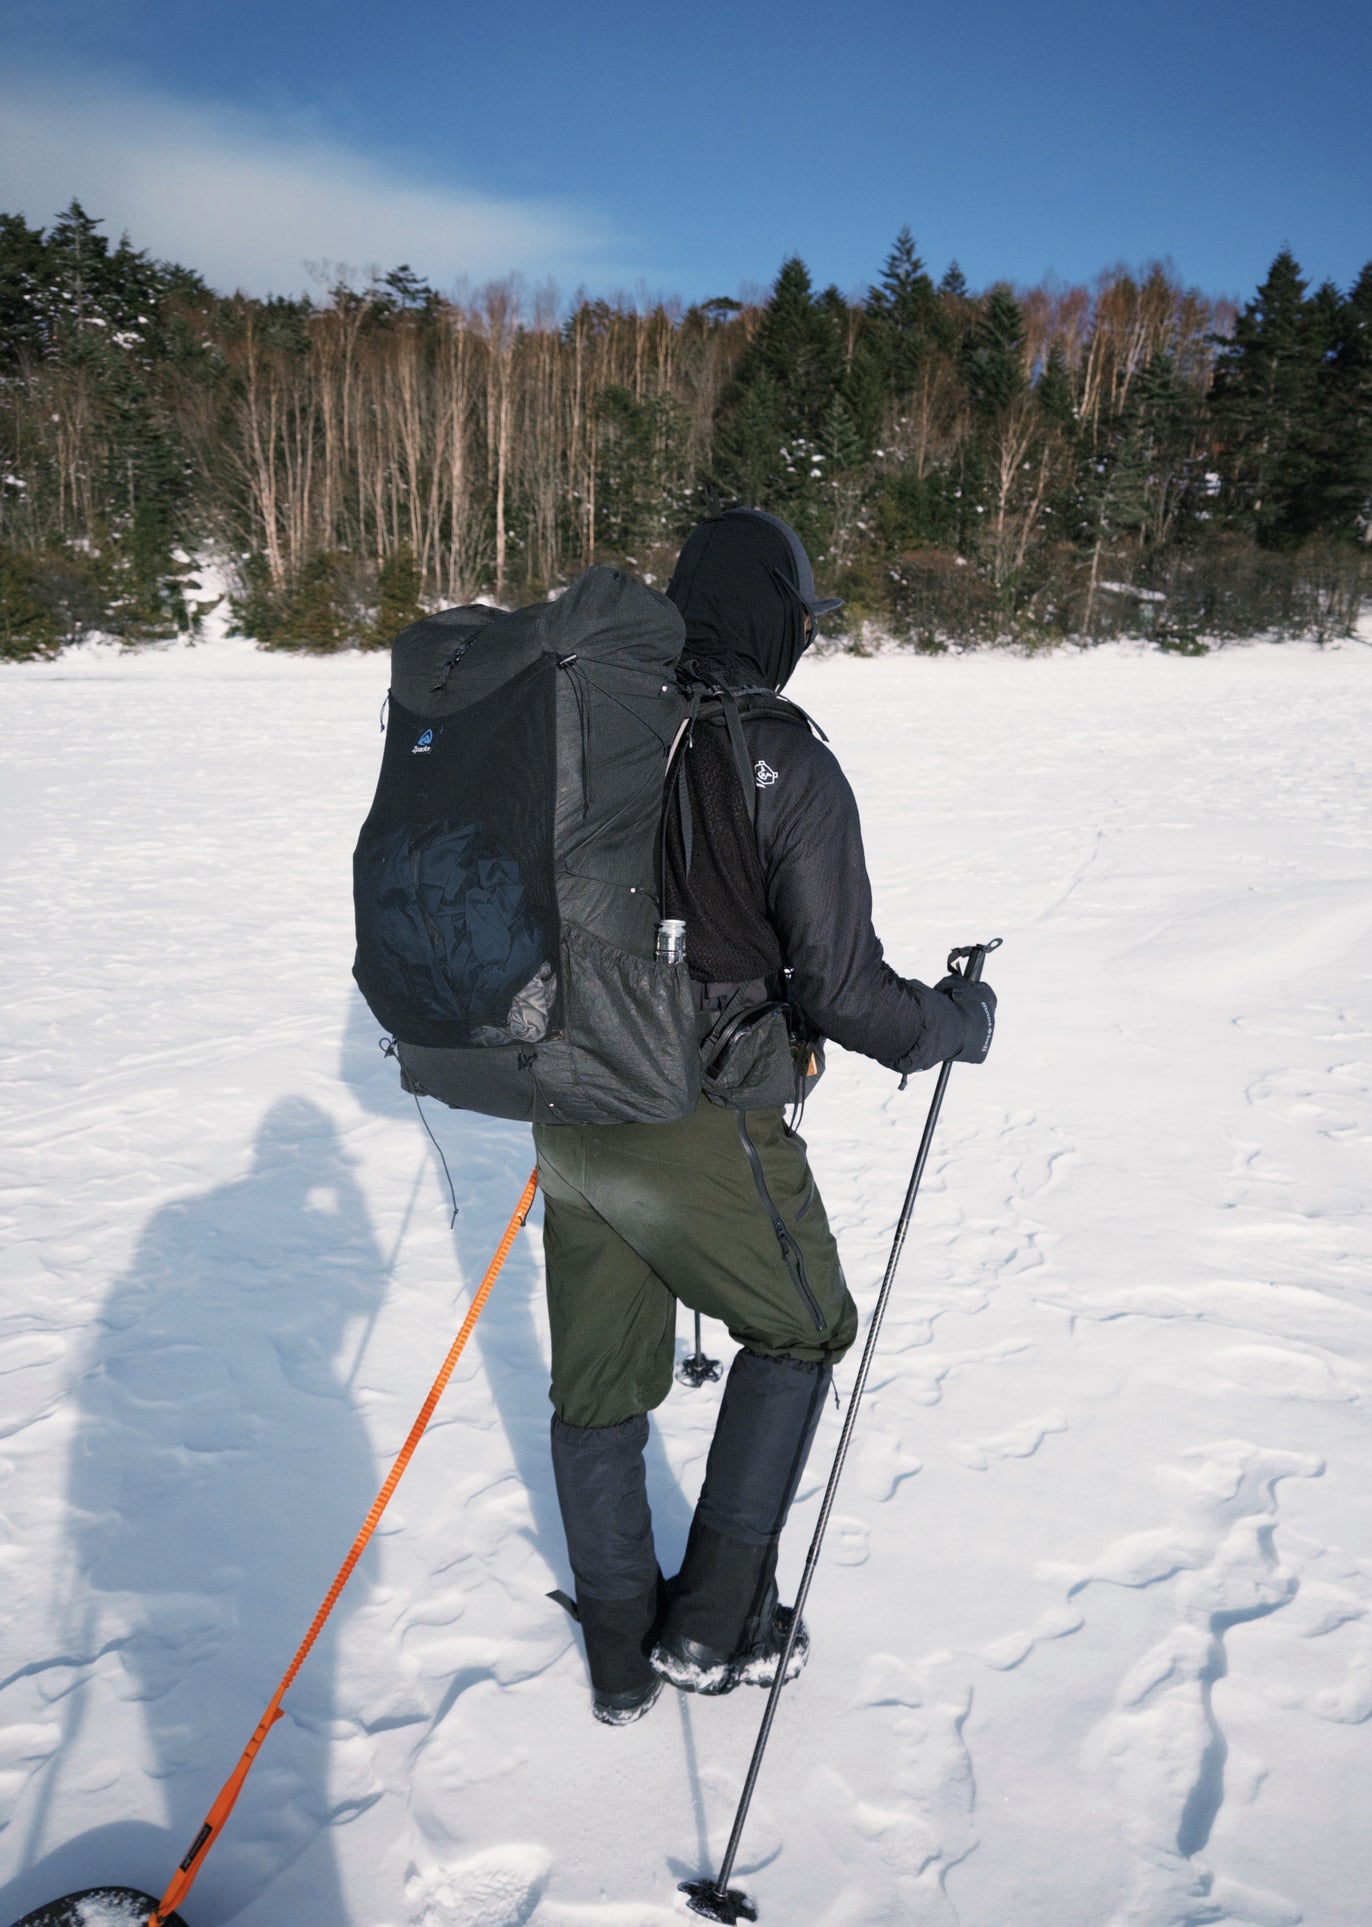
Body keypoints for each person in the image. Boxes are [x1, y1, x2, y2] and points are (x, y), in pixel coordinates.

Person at [536, 509, 996, 1723]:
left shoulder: (591, 722)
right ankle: (716, 1621)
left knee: (597, 1385)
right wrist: (954, 1021)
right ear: (775, 619)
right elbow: (843, 989)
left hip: (567, 1110)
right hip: (697, 1115)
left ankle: (618, 1652)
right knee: (802, 1327)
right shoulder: (784, 761)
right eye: (805, 620)